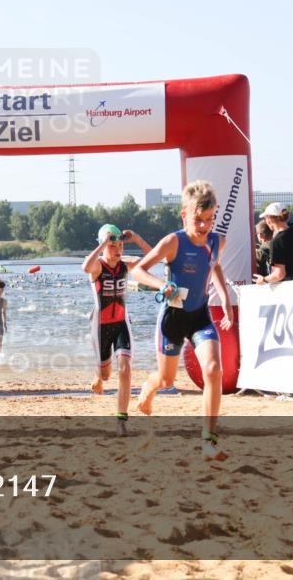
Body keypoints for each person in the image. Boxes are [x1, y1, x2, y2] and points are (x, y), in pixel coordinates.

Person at [131, 181, 234, 461]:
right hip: (173, 318)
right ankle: (149, 389)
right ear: (184, 215)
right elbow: (138, 271)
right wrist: (160, 284)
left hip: (200, 316)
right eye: (198, 220)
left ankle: (208, 441)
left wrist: (224, 297)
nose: (204, 226)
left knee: (214, 370)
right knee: (166, 379)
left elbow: (214, 266)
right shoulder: (173, 241)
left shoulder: (216, 241)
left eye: (209, 220)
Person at [83, 223, 153, 437]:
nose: (118, 249)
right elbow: (86, 266)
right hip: (101, 326)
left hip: (122, 323)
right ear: (104, 246)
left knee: (125, 368)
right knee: (106, 376)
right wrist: (105, 241)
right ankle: (98, 374)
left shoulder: (126, 265)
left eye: (121, 245)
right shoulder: (98, 267)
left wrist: (137, 238)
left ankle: (121, 420)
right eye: (113, 246)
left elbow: (155, 258)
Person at [253, 202, 293, 284]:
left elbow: (279, 274)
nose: (266, 221)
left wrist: (263, 279)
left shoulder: (276, 242)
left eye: (265, 218)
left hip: (289, 288)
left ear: (270, 218)